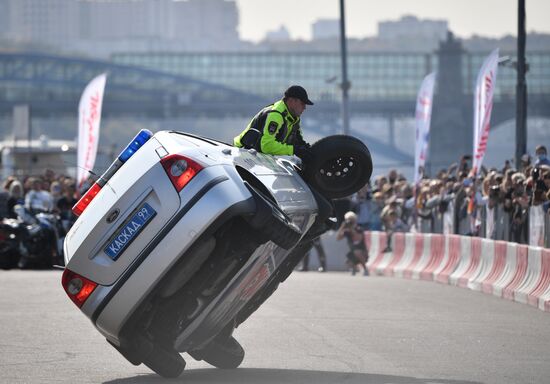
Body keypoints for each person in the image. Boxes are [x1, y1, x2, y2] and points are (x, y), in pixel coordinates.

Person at [233, 85, 313, 162]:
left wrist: (307, 150)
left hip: (256, 156)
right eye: (302, 103)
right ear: (291, 101)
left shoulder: (293, 118)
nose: (305, 107)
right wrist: (294, 150)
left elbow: (298, 141)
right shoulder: (276, 115)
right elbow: (266, 146)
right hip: (241, 153)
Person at [336, 211, 369, 276]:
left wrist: (352, 229)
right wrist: (342, 227)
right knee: (349, 260)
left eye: (352, 220)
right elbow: (338, 238)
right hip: (353, 252)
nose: (350, 221)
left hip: (363, 252)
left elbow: (358, 238)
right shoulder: (346, 230)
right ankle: (354, 268)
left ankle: (365, 269)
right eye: (349, 220)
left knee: (357, 252)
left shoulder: (359, 228)